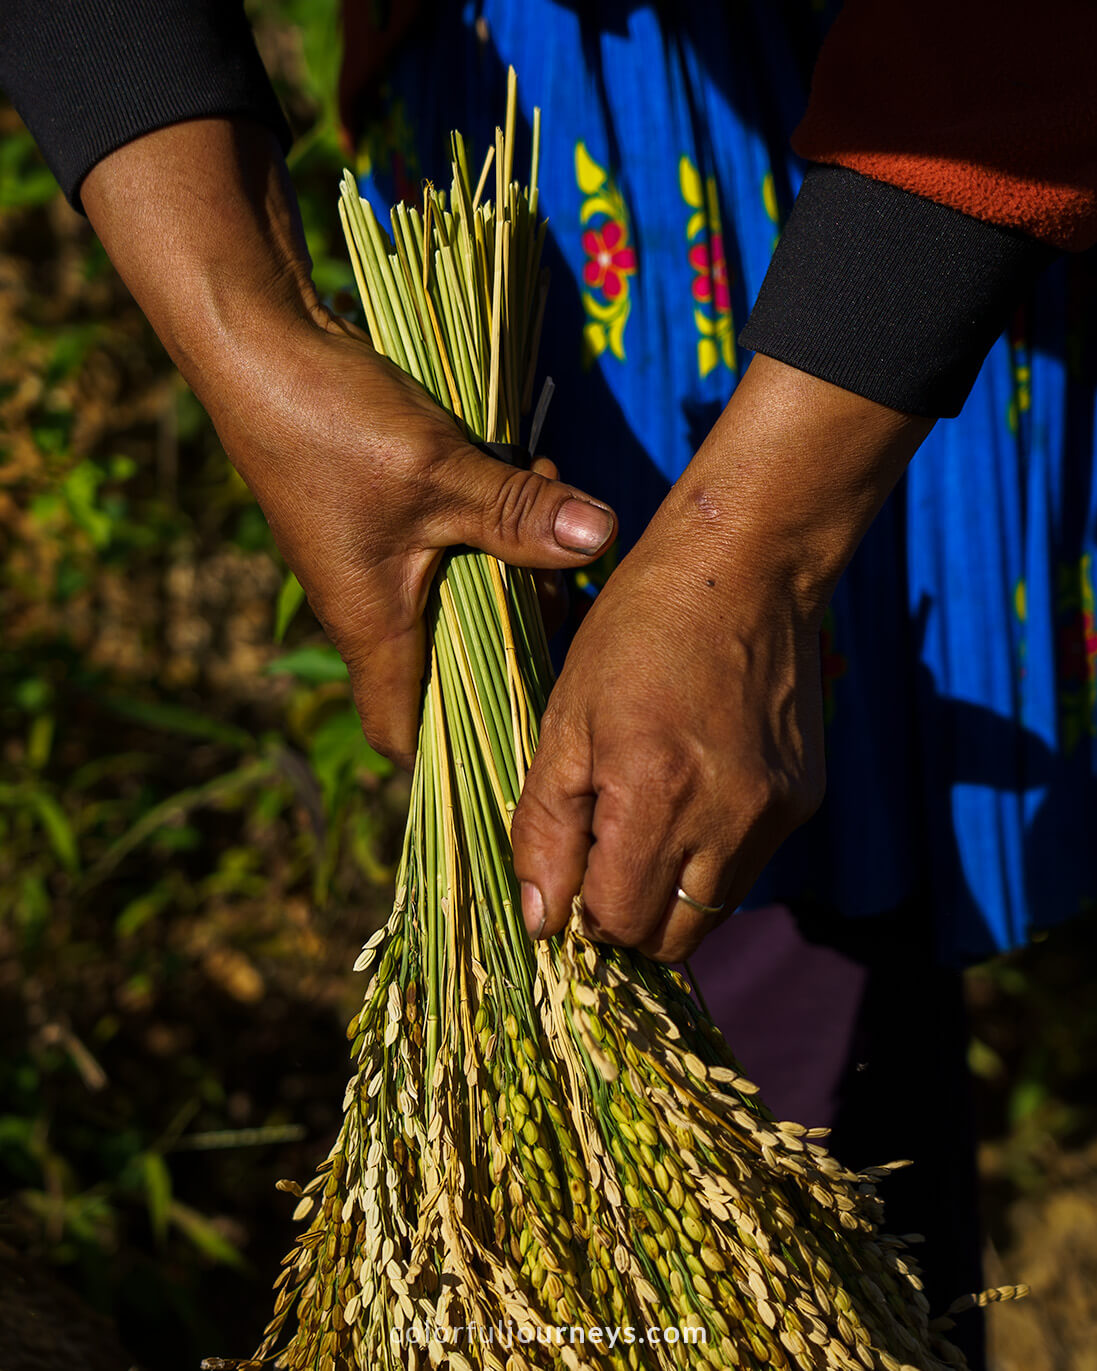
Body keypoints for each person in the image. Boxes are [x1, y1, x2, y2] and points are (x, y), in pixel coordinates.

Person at [4, 3, 1096, 1366]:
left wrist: (748, 545)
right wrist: (247, 340)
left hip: (919, 181)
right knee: (657, 840)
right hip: (551, 167)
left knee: (772, 840)